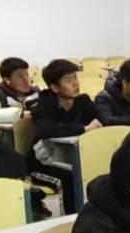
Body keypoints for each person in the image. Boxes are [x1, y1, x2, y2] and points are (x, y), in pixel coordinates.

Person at [31, 59, 101, 213]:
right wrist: (84, 129)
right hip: (45, 162)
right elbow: (45, 129)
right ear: (55, 87)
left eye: (75, 78)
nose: (76, 83)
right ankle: (70, 220)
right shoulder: (44, 103)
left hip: (74, 158)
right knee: (69, 178)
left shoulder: (83, 101)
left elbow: (101, 118)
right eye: (69, 80)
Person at [0, 57, 39, 131]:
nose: (26, 80)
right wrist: (19, 114)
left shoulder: (38, 92)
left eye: (27, 75)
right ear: (7, 80)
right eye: (20, 77)